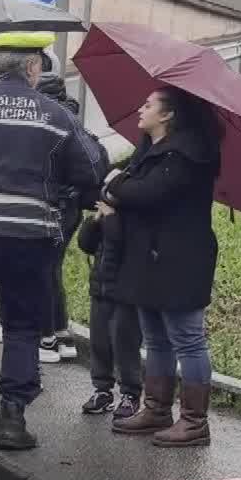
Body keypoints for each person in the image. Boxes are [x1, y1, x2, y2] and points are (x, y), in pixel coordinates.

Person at [0, 31, 100, 452]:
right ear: (33, 68)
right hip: (32, 232)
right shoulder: (55, 114)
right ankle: (13, 417)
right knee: (22, 326)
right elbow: (89, 167)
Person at [108, 87, 223, 447]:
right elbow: (130, 191)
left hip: (181, 258)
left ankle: (194, 421)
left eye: (148, 105)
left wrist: (115, 182)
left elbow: (145, 194)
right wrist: (120, 186)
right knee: (156, 337)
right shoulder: (151, 152)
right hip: (148, 256)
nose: (140, 109)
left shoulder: (189, 154)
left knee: (187, 339)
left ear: (168, 114)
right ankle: (157, 409)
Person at [36, 70, 97, 364]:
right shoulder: (72, 121)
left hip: (54, 204)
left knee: (44, 269)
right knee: (51, 268)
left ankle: (48, 337)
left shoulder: (52, 123)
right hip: (70, 207)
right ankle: (62, 334)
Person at [76, 176, 143, 423]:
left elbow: (120, 242)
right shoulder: (104, 218)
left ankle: (131, 393)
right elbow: (86, 244)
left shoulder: (130, 219)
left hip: (124, 291)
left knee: (124, 343)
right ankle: (102, 389)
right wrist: (95, 221)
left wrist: (113, 219)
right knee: (99, 341)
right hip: (100, 287)